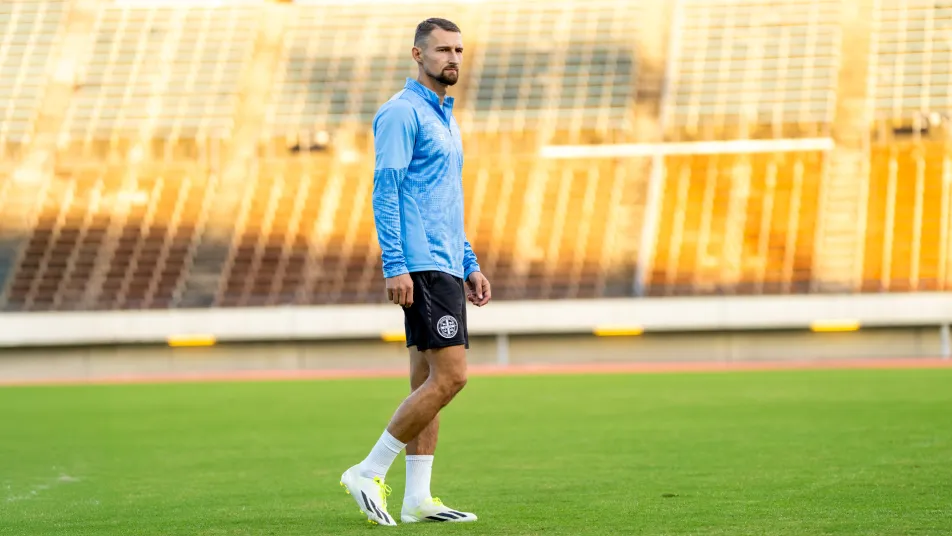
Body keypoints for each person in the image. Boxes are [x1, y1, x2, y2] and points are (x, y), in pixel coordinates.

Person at [339, 17, 491, 526]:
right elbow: (386, 190)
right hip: (421, 265)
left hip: (445, 262)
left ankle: (417, 499)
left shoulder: (445, 118)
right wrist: (396, 265)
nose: (454, 58)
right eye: (444, 49)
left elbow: (445, 201)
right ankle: (367, 471)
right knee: (452, 377)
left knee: (425, 381)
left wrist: (468, 262)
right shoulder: (401, 112)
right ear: (418, 54)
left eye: (459, 50)